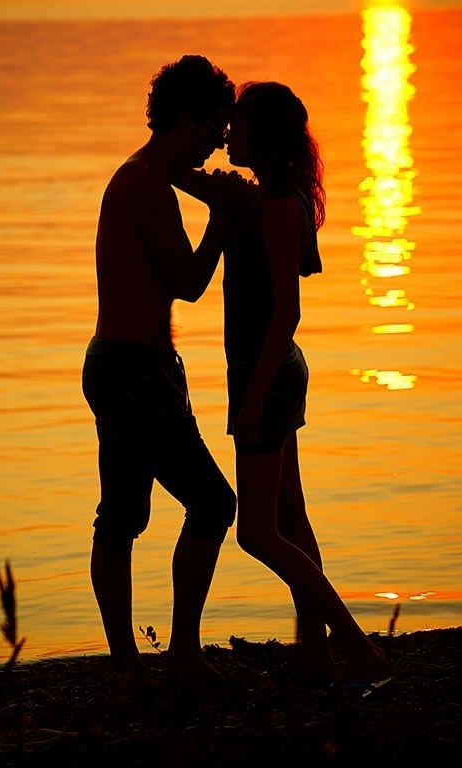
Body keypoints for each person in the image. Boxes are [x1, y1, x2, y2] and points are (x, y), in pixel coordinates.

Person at [174, 81, 390, 684]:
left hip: (265, 374)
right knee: (291, 520)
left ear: (262, 137)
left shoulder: (273, 209)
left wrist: (253, 397)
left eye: (238, 127)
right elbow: (187, 178)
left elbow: (285, 312)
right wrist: (171, 157)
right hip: (273, 372)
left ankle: (356, 646)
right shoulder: (268, 198)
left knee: (256, 532)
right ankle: (315, 652)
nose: (227, 136)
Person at [81, 55, 238, 688]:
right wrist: (222, 219)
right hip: (133, 371)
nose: (216, 146)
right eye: (213, 130)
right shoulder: (146, 185)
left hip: (125, 363)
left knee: (122, 515)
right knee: (212, 502)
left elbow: (179, 176)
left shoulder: (145, 176)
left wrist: (208, 191)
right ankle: (179, 653)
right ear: (185, 120)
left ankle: (130, 662)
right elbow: (188, 282)